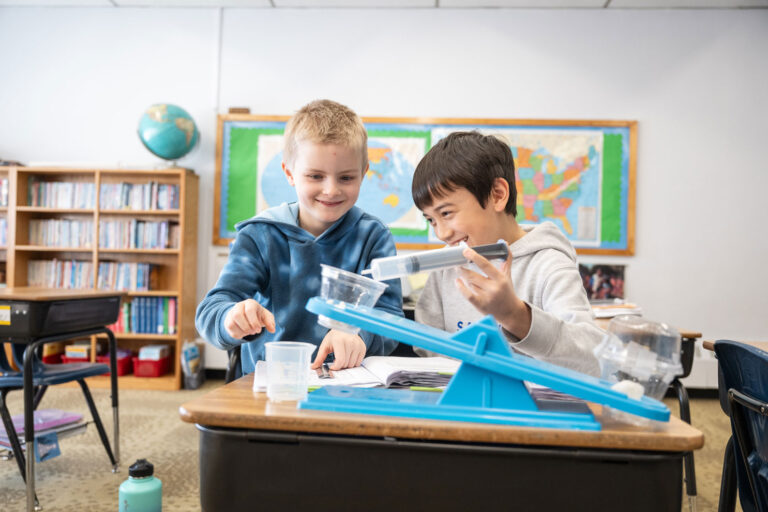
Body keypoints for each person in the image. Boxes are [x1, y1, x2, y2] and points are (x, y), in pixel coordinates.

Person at [195, 99, 402, 375]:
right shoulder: (260, 234)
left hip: (348, 385)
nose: (330, 190)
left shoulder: (373, 236)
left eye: (346, 178)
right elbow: (210, 311)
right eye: (315, 176)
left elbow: (391, 320)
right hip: (271, 386)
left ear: (363, 174)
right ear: (290, 173)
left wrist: (359, 336)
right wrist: (230, 317)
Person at [411, 131, 603, 376]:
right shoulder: (446, 267)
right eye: (431, 220)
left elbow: (594, 360)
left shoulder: (549, 264)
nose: (442, 234)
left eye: (446, 213)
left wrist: (515, 315)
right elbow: (429, 353)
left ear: (497, 195)